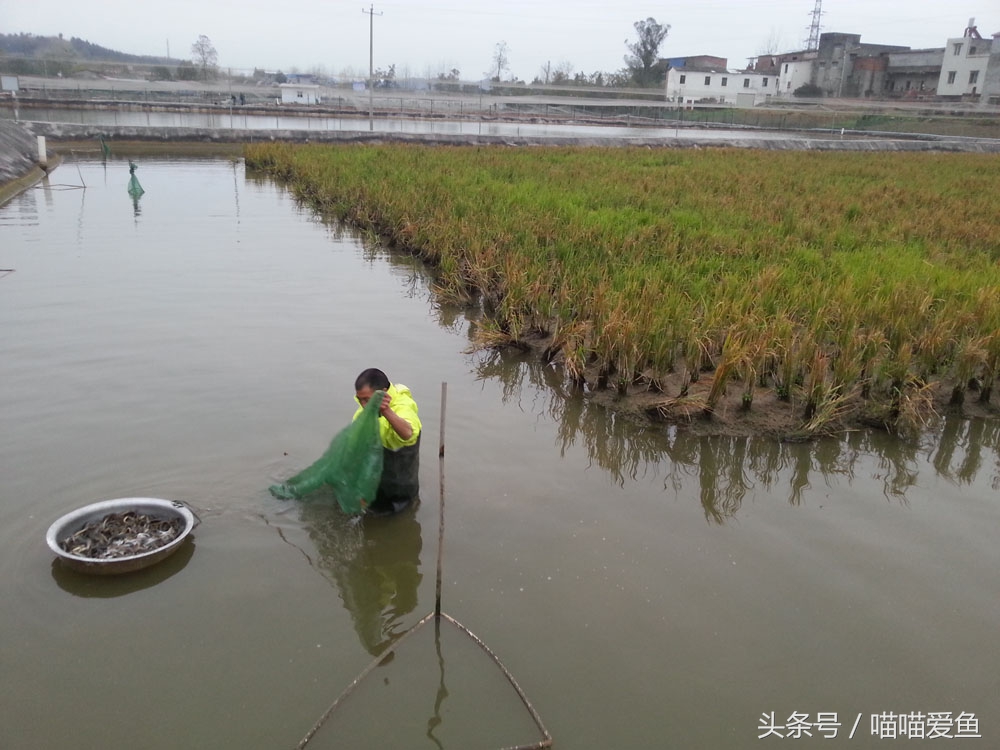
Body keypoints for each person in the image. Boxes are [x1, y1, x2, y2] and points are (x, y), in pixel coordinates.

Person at [353, 368, 421, 514]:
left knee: (392, 520)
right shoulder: (363, 411)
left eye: (367, 400)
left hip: (398, 494)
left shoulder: (403, 407)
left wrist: (386, 411)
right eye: (360, 400)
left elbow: (408, 433)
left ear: (383, 393)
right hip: (372, 488)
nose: (363, 405)